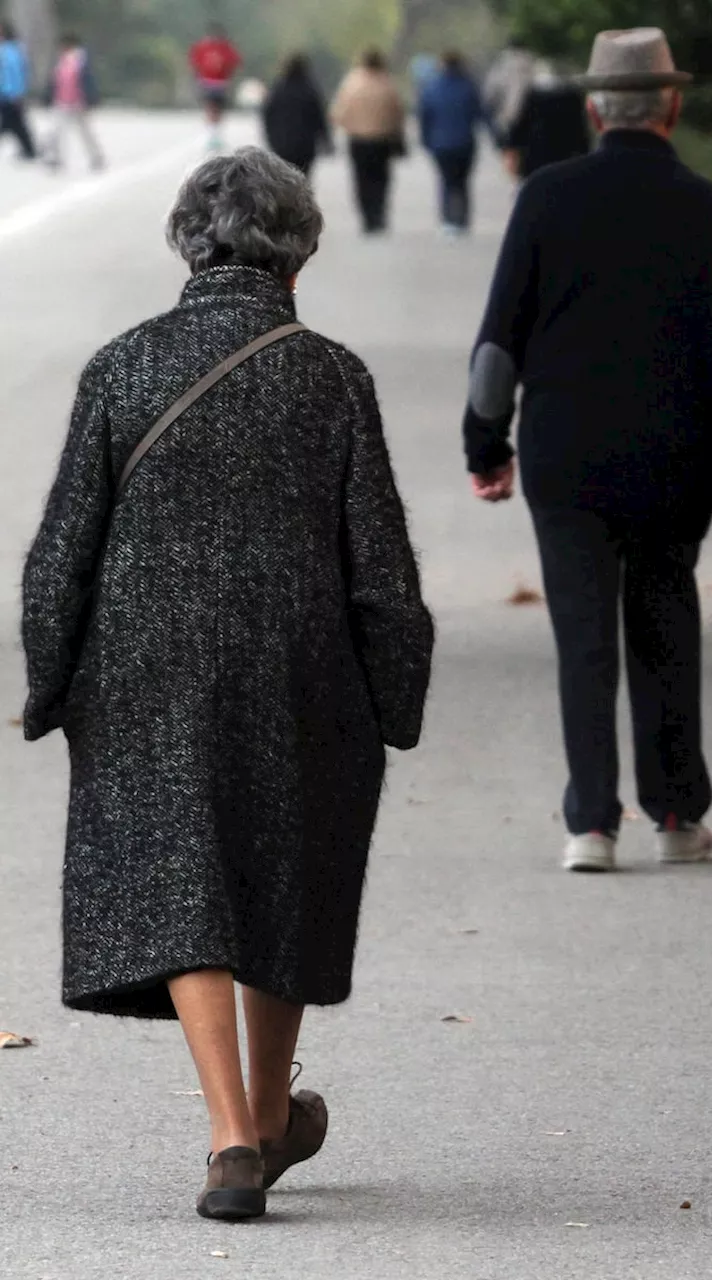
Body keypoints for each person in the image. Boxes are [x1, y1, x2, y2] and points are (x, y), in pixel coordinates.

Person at [22, 146, 434, 1221]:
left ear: (186, 242)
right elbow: (378, 563)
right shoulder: (330, 373)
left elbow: (65, 545)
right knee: (279, 868)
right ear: (298, 250)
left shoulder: (123, 365)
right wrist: (394, 694)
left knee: (186, 881)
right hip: (299, 665)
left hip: (144, 667)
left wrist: (51, 676)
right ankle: (262, 1108)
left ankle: (233, 1136)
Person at [463, 28, 712, 873]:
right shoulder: (707, 207)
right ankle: (676, 815)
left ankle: (592, 826)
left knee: (583, 634)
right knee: (666, 618)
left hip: (567, 456)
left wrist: (486, 444)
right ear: (671, 105)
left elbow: (500, 344)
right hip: (676, 456)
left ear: (596, 107)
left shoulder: (546, 197)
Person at [330, 49, 405, 234]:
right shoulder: (387, 82)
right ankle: (379, 213)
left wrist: (350, 125)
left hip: (358, 140)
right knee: (381, 179)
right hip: (382, 140)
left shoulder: (352, 82)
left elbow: (338, 112)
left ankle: (367, 217)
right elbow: (398, 111)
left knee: (361, 180)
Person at [417, 50, 487, 236]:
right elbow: (480, 113)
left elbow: (425, 116)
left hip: (440, 144)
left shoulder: (431, 87)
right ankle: (462, 219)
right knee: (462, 183)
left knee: (446, 181)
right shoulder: (469, 86)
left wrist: (424, 140)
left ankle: (448, 220)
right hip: (465, 143)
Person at [500, 61, 590, 182]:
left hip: (536, 160)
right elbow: (581, 132)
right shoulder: (572, 96)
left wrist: (511, 149)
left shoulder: (533, 95)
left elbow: (520, 126)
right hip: (566, 158)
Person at [262, 53, 330, 178]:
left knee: (283, 179)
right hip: (305, 146)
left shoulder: (278, 89)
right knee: (303, 179)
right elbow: (319, 117)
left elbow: (267, 116)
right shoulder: (310, 89)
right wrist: (326, 140)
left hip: (282, 145)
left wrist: (271, 139)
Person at [43, 33, 105, 172]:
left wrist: (90, 99)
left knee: (86, 132)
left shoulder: (82, 60)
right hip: (61, 101)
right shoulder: (61, 61)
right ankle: (55, 158)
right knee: (55, 130)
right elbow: (55, 81)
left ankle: (96, 156)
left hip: (79, 102)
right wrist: (49, 96)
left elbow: (88, 81)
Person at [189, 22, 242, 150]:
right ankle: (210, 134)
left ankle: (216, 134)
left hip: (221, 83)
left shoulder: (226, 48)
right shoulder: (202, 47)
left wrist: (229, 76)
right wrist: (198, 76)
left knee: (219, 109)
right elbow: (194, 62)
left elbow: (235, 62)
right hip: (207, 82)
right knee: (209, 107)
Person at [0, 21, 36, 160]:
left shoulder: (11, 51)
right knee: (17, 124)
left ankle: (30, 150)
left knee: (12, 123)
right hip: (6, 94)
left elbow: (17, 74)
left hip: (10, 94)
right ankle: (30, 149)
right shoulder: (7, 49)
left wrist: (17, 93)